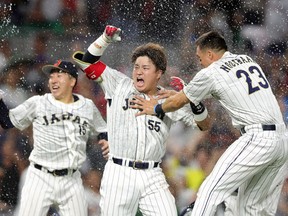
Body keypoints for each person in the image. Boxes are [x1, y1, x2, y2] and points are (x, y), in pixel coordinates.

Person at [131, 30, 288, 215]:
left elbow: (178, 102)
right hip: (282, 140)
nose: (200, 63)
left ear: (210, 55)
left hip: (258, 138)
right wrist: (182, 96)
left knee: (210, 190)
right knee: (253, 209)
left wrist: (155, 108)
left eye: (200, 58)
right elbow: (215, 91)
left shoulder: (212, 71)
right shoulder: (247, 60)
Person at [72, 25, 194, 216]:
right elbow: (87, 62)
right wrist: (105, 39)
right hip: (120, 172)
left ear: (158, 73)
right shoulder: (118, 83)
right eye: (136, 67)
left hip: (152, 174)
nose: (138, 72)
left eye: (145, 68)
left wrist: (188, 97)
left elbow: (203, 123)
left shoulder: (169, 99)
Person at [0, 60, 109, 216]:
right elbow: (7, 121)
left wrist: (105, 139)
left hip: (71, 179)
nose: (53, 80)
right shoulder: (38, 102)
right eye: (51, 76)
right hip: (40, 176)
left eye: (59, 75)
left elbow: (102, 129)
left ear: (72, 81)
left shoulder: (87, 106)